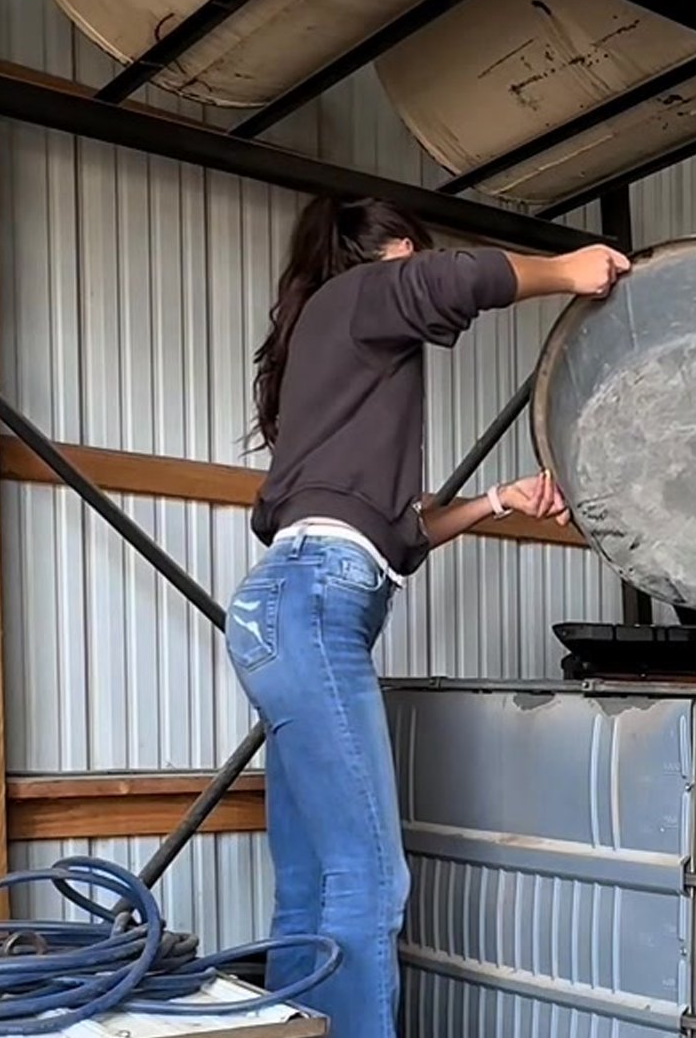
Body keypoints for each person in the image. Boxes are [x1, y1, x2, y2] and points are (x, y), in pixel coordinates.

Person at [224, 195, 629, 1034]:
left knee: (313, 884)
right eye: (414, 258)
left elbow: (398, 537)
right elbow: (462, 278)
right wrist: (565, 272)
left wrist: (493, 501)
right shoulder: (357, 296)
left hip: (288, 608)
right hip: (311, 608)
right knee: (370, 880)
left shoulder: (332, 351)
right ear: (398, 250)